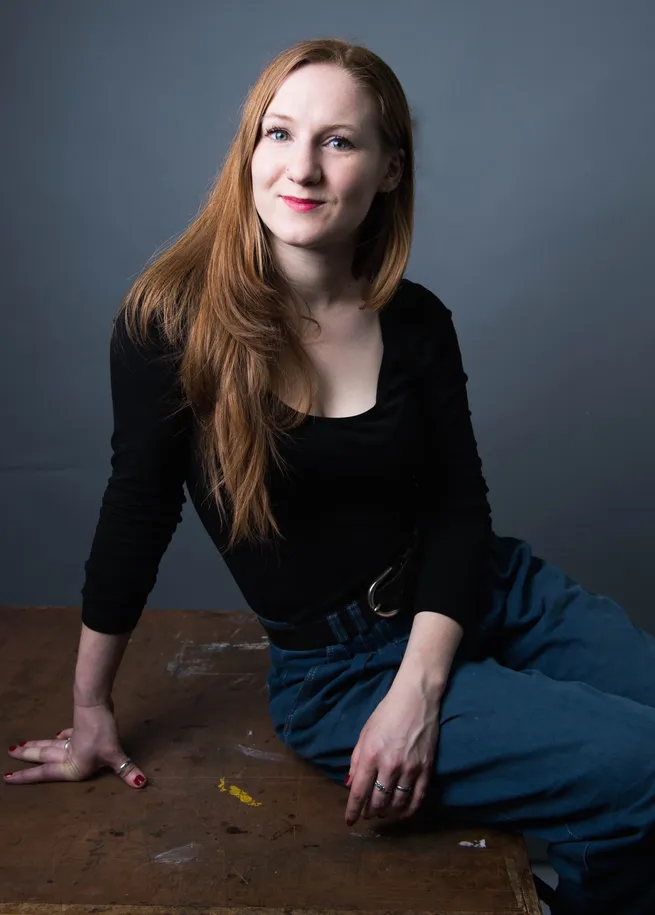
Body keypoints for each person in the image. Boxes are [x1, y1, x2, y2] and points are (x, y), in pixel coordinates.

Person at [5, 36, 655, 915]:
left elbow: (460, 511)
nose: (301, 167)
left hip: (482, 590)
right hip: (341, 671)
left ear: (389, 169)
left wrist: (421, 686)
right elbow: (136, 509)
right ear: (249, 150)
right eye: (278, 133)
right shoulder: (168, 323)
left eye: (338, 141)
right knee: (641, 768)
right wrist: (90, 708)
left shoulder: (417, 321)